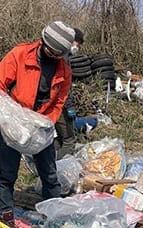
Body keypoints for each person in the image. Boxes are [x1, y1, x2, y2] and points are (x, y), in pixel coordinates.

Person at [0, 21, 74, 228]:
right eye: (50, 51)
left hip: (40, 127)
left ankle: (55, 220)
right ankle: (5, 217)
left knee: (50, 175)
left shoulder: (64, 70)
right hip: (13, 124)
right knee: (7, 175)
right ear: (43, 42)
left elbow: (59, 101)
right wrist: (6, 112)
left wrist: (46, 123)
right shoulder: (20, 55)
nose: (53, 56)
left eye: (58, 54)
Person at [55, 27, 84, 160]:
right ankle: (58, 170)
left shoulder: (56, 53)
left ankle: (47, 162)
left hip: (51, 103)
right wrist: (69, 105)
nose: (77, 48)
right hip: (60, 104)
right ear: (73, 41)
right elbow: (64, 86)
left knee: (59, 137)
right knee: (69, 139)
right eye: (78, 44)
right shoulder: (64, 58)